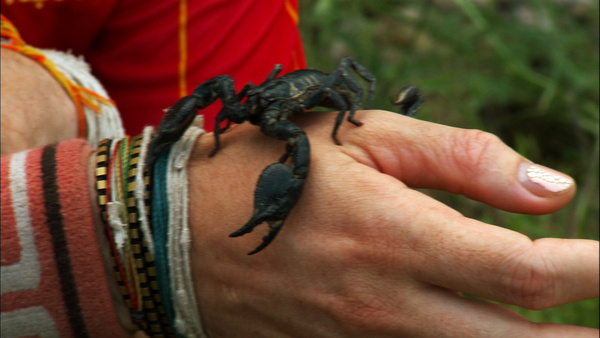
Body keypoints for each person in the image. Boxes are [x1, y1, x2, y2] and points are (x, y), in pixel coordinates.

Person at [1, 2, 598, 337]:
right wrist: (143, 215)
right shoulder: (250, 101)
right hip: (274, 96)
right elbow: (211, 124)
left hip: (301, 99)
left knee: (301, 150)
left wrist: (164, 203)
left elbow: (227, 172)